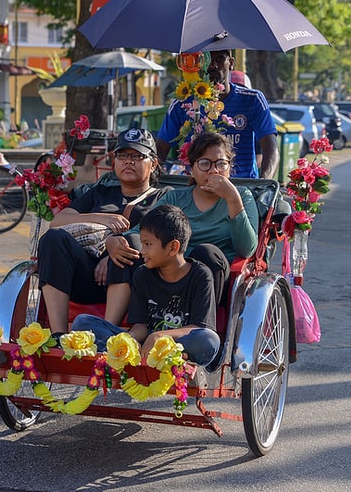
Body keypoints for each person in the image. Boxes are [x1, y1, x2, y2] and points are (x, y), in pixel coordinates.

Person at [37, 128, 167, 336]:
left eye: (137, 156)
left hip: (137, 280)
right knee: (52, 239)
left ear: (153, 164)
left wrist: (112, 247)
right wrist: (100, 217)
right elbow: (58, 221)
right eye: (122, 155)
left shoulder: (163, 196)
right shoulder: (100, 193)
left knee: (128, 243)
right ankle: (58, 335)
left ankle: (106, 334)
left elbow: (163, 236)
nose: (128, 161)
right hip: (89, 276)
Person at [108, 132, 258, 310]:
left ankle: (197, 324)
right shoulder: (176, 197)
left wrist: (233, 200)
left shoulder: (241, 197)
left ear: (230, 167)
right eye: (204, 163)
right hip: (170, 273)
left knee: (206, 252)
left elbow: (247, 248)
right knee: (131, 244)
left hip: (214, 279)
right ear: (192, 170)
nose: (213, 170)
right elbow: (142, 230)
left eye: (221, 164)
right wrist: (114, 240)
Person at [72, 205, 221, 366]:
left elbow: (198, 327)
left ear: (173, 247)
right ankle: (131, 354)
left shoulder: (201, 275)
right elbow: (140, 326)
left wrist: (161, 336)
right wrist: (130, 339)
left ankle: (175, 357)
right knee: (82, 323)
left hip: (178, 343)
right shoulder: (142, 273)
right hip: (145, 343)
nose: (142, 251)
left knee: (209, 339)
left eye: (148, 244)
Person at [156, 49, 278, 179]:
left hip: (242, 188)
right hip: (196, 190)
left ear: (231, 63)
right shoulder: (182, 103)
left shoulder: (252, 99)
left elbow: (271, 148)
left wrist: (264, 184)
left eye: (219, 59)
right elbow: (160, 150)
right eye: (205, 60)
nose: (212, 65)